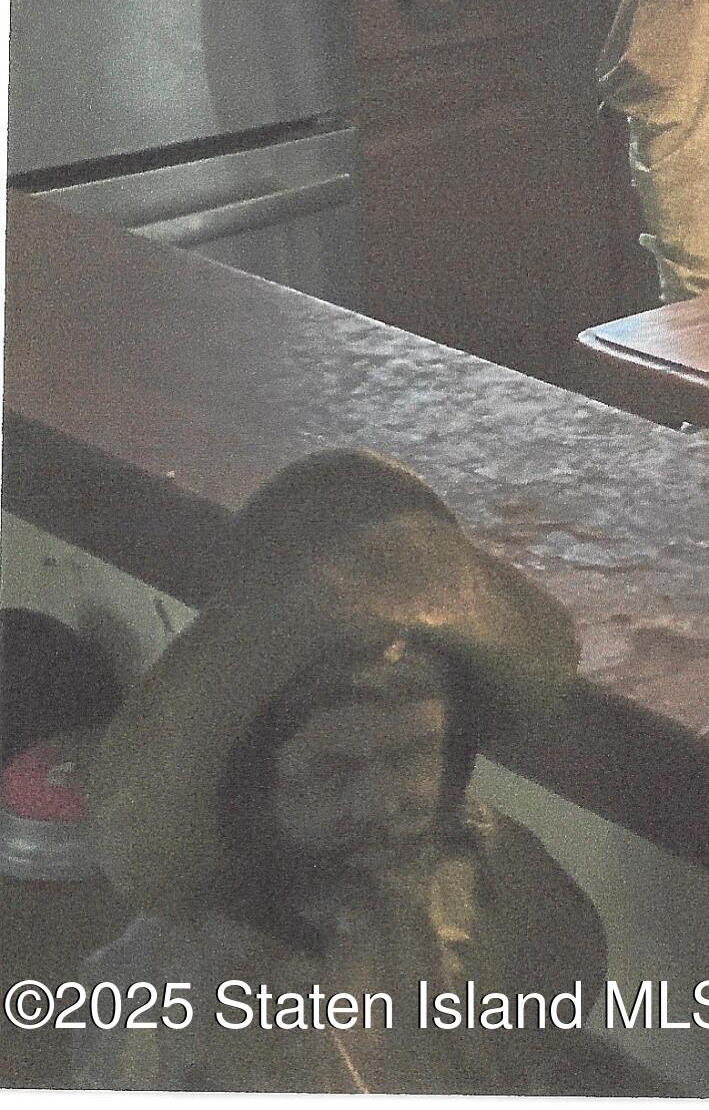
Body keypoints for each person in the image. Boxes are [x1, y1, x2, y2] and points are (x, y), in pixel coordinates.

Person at [74, 449, 641, 1092]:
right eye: (332, 774)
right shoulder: (166, 989)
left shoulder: (506, 893)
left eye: (411, 757)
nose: (383, 802)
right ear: (255, 790)